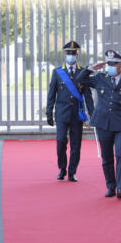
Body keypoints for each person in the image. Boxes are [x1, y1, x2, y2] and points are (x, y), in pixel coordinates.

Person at [77, 50, 121, 199]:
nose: (111, 66)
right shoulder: (99, 78)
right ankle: (111, 186)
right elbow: (79, 80)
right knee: (107, 157)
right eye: (109, 63)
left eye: (114, 63)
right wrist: (91, 68)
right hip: (103, 123)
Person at [46, 41, 94, 182]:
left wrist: (93, 113)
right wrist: (49, 111)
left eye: (73, 53)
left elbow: (88, 95)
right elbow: (51, 93)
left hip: (77, 114)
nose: (71, 56)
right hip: (61, 113)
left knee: (76, 144)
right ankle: (62, 168)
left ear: (77, 54)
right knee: (61, 140)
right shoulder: (57, 72)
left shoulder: (82, 72)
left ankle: (72, 171)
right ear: (64, 54)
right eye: (68, 53)